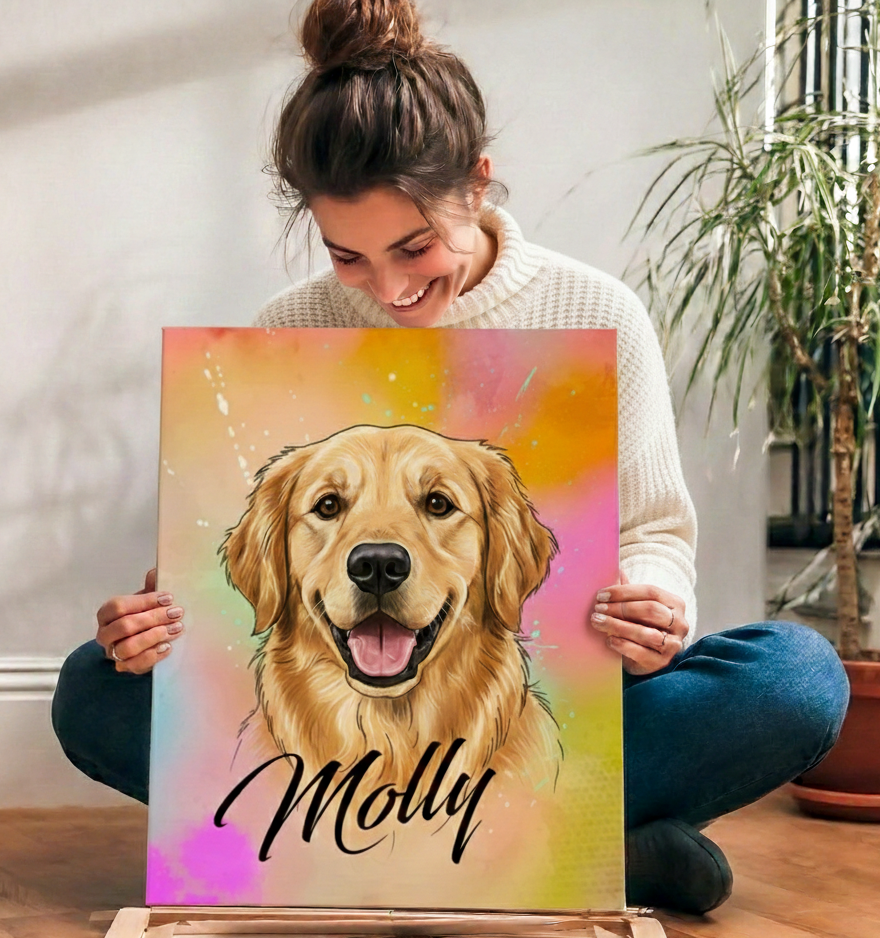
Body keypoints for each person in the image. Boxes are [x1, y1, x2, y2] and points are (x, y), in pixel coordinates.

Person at [52, 0, 850, 916]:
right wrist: (159, 620)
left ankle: (397, 852)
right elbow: (237, 581)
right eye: (347, 256)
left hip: (547, 711)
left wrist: (657, 610)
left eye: (415, 246)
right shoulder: (281, 336)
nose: (390, 290)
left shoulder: (596, 313)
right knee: (88, 689)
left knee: (796, 677)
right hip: (315, 749)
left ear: (478, 183)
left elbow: (653, 527)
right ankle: (589, 847)